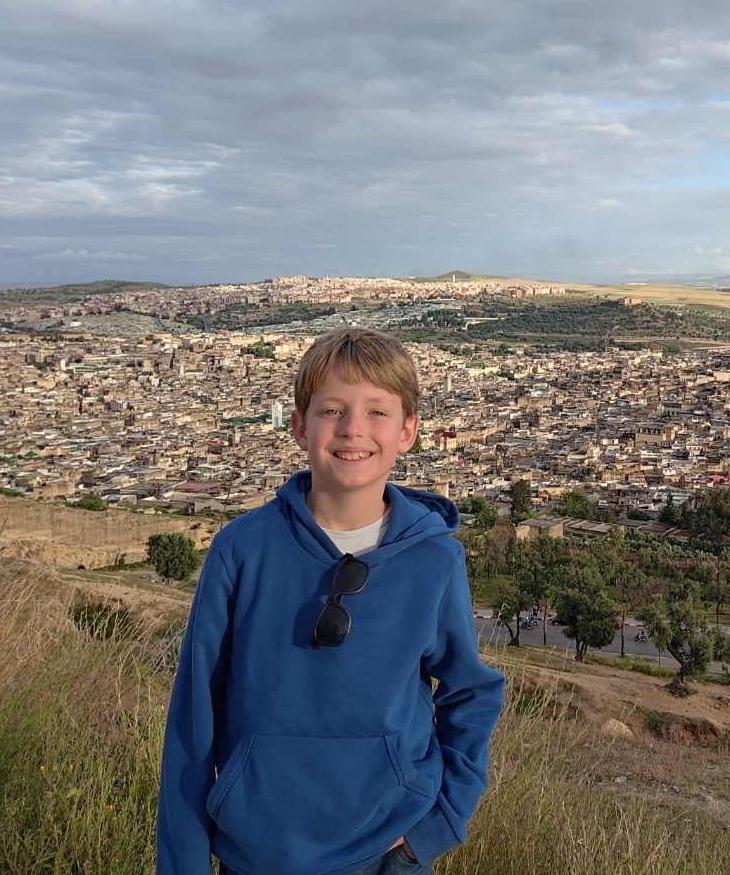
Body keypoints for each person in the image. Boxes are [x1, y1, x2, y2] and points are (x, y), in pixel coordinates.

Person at [157, 328, 505, 875]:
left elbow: (471, 691)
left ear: (408, 431)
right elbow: (192, 719)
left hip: (388, 853)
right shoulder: (242, 551)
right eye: (332, 410)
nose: (352, 429)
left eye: (376, 412)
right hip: (258, 856)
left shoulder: (434, 559)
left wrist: (436, 825)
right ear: (299, 426)